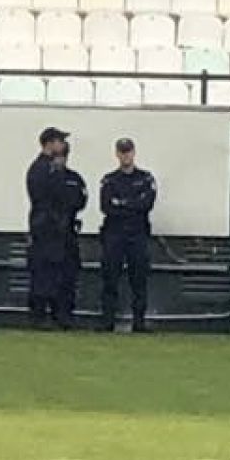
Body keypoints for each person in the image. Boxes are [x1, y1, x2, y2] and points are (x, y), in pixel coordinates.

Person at [25, 127, 84, 329]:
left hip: (63, 230)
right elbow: (47, 197)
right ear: (49, 143)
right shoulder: (40, 169)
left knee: (64, 274)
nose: (63, 145)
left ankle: (61, 315)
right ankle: (39, 315)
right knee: (44, 274)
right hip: (46, 230)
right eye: (60, 141)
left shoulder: (61, 171)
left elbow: (76, 199)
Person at [97, 137, 156, 333]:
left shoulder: (146, 178)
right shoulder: (109, 180)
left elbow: (146, 204)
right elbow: (106, 207)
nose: (125, 155)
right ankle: (107, 322)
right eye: (122, 152)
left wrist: (121, 203)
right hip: (114, 235)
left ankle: (139, 323)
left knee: (139, 280)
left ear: (134, 152)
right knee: (110, 279)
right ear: (117, 154)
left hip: (137, 235)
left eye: (128, 151)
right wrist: (132, 204)